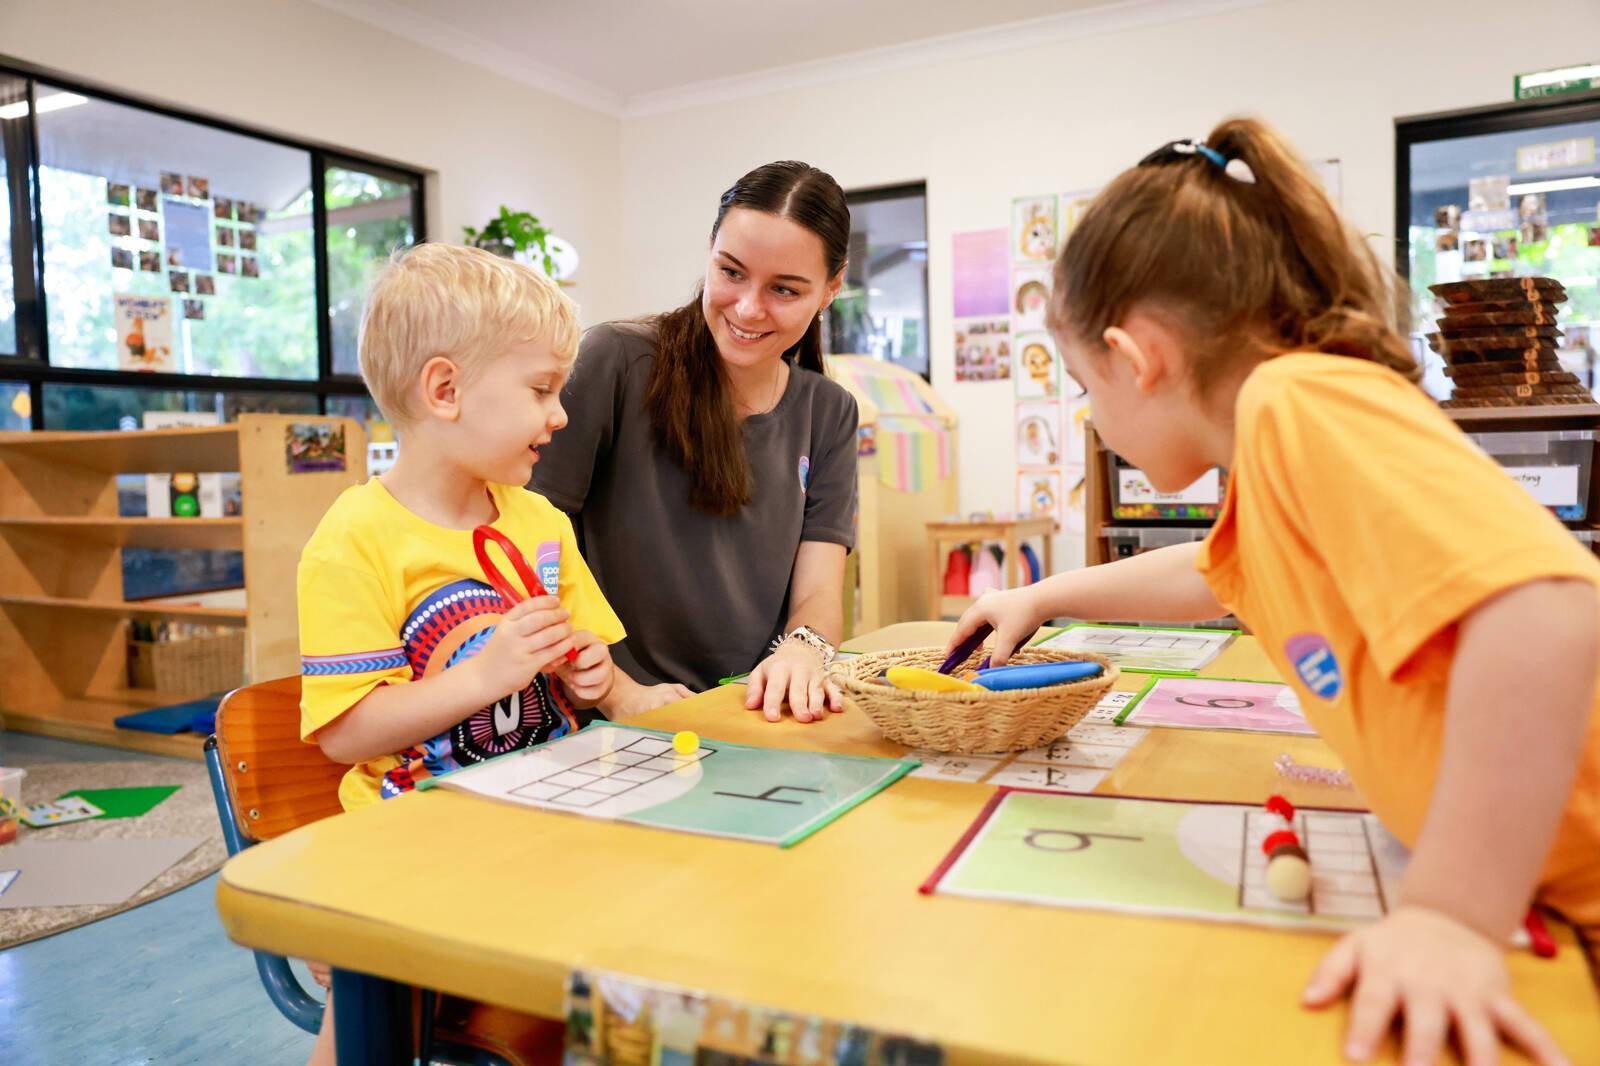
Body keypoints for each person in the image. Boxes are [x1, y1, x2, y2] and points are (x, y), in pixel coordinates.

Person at [949, 118, 1596, 1066]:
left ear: (1137, 358)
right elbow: (1213, 574)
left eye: (1088, 384)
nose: (1093, 416)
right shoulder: (1274, 448)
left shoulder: (1296, 405)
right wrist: (1047, 596)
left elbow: (1550, 610)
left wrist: (1453, 917)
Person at [295, 243, 626, 1064]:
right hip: (413, 843)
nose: (559, 416)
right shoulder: (354, 541)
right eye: (541, 390)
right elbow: (347, 734)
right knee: (373, 1005)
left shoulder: (540, 522)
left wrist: (593, 675)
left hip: (545, 819)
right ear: (444, 390)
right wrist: (484, 675)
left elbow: (595, 669)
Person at [530, 161, 860, 725]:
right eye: (730, 272)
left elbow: (819, 590)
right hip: (602, 711)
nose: (749, 308)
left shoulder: (828, 411)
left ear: (832, 287)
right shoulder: (617, 361)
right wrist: (614, 688)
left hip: (751, 712)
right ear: (710, 250)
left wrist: (805, 649)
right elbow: (530, 548)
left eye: (784, 289)